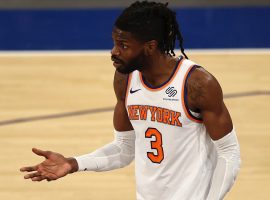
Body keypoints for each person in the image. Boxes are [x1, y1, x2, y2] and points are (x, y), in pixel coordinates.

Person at [20, 1, 241, 200]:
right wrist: (73, 163)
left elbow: (229, 154)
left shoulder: (197, 84)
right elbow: (124, 149)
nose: (114, 52)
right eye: (115, 43)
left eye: (123, 45)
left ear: (150, 46)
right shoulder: (125, 79)